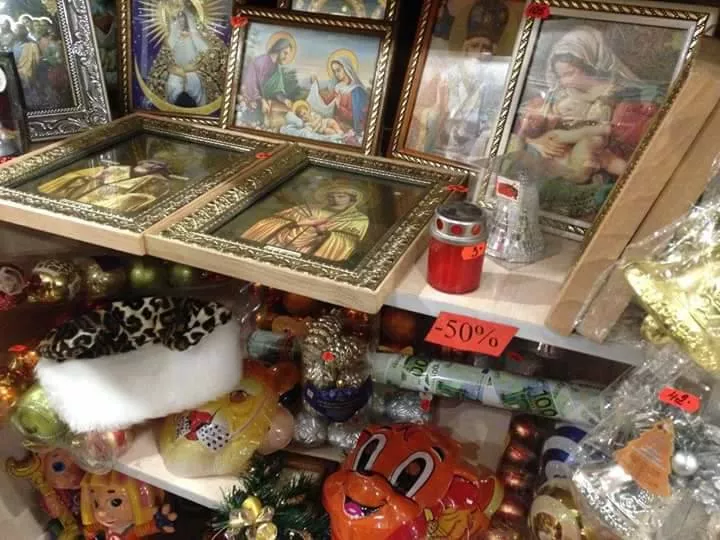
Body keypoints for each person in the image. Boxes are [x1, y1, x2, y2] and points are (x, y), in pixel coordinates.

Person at [513, 26, 662, 185]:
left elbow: (621, 133)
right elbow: (526, 122)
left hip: (601, 154)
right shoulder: (561, 94)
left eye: (570, 73)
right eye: (560, 76)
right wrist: (538, 141)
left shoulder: (618, 95)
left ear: (589, 66)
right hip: (564, 154)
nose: (564, 82)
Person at [408, 0, 509, 163]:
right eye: (475, 45)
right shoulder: (444, 77)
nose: (480, 52)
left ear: (494, 51)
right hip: (441, 146)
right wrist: (437, 111)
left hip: (475, 151)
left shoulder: (498, 83)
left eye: (486, 47)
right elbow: (418, 111)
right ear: (465, 48)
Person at [240, 182, 369, 262]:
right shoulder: (305, 208)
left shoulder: (358, 219)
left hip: (310, 252)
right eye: (331, 196)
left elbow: (349, 243)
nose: (335, 199)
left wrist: (324, 233)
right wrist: (300, 223)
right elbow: (271, 221)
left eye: (341, 196)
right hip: (277, 244)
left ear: (352, 200)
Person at [38, 159, 175, 214]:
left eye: (152, 166)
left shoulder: (156, 184)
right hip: (71, 200)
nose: (147, 166)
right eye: (147, 164)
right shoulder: (115, 171)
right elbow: (95, 176)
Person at [307, 55, 369, 138]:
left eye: (338, 70)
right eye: (334, 71)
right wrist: (316, 85)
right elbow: (326, 102)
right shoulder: (338, 87)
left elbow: (356, 118)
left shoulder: (357, 91)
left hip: (348, 127)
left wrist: (339, 106)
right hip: (335, 123)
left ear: (346, 69)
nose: (336, 74)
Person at [239, 36, 295, 126]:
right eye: (285, 53)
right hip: (251, 103)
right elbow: (250, 84)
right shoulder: (260, 62)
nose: (286, 57)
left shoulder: (277, 69)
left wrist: (285, 100)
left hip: (265, 107)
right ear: (278, 49)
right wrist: (262, 101)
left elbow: (276, 90)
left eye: (287, 54)